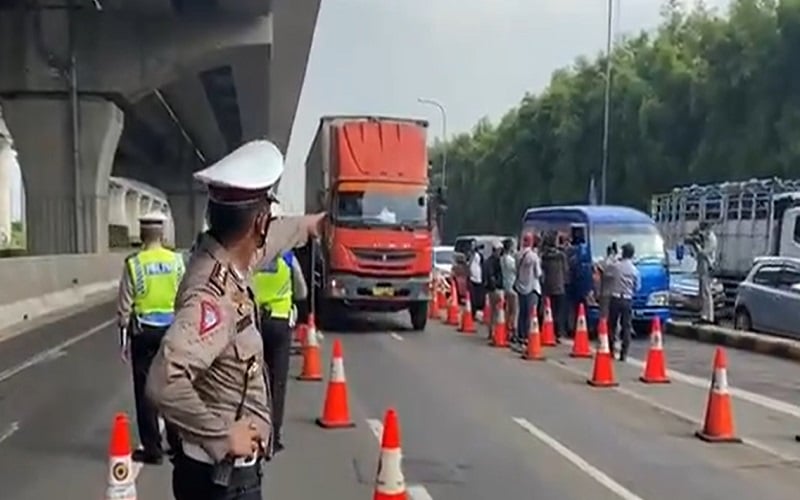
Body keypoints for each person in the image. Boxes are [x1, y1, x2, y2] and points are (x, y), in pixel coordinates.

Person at [145, 140, 325, 500]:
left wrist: (311, 224)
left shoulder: (225, 256)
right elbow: (163, 381)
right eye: (267, 217)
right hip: (221, 482)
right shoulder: (214, 298)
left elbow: (274, 238)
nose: (269, 226)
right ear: (258, 221)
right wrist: (221, 435)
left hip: (216, 476)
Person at [116, 210, 183, 465]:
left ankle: (153, 449)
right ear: (163, 233)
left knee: (145, 391)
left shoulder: (134, 263)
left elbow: (124, 307)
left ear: (142, 233)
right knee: (174, 386)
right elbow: (186, 295)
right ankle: (177, 444)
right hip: (173, 331)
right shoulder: (177, 261)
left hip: (144, 332)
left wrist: (123, 340)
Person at [251, 203, 309, 453]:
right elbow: (302, 290)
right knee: (277, 383)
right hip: (279, 322)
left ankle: (253, 433)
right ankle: (273, 439)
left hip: (251, 324)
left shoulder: (250, 255)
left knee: (250, 381)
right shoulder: (286, 256)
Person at [606, 242, 641, 361]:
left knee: (612, 325)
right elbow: (637, 287)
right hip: (627, 299)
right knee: (626, 326)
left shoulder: (616, 266)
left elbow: (606, 270)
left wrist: (612, 256)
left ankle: (610, 350)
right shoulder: (635, 270)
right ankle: (623, 354)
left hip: (615, 297)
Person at [513, 232, 542, 345]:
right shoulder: (533, 256)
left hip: (520, 286)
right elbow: (538, 273)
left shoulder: (517, 255)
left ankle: (521, 334)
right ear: (531, 242)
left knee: (522, 312)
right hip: (532, 287)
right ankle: (528, 335)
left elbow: (516, 269)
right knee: (531, 313)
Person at [540, 232, 569, 343]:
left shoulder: (544, 257)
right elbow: (566, 270)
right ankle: (557, 333)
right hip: (559, 286)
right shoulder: (561, 256)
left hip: (547, 287)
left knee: (547, 310)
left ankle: (546, 331)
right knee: (558, 312)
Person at [696, 221, 718, 324]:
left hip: (707, 266)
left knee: (706, 292)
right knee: (703, 292)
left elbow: (705, 252)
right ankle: (704, 315)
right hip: (703, 266)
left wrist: (698, 247)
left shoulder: (711, 239)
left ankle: (709, 316)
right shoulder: (707, 238)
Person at [483, 240, 504, 338]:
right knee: (496, 311)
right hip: (495, 289)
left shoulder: (489, 261)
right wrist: (495, 286)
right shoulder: (494, 262)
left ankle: (492, 331)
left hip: (491, 289)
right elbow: (491, 276)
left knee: (493, 311)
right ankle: (495, 332)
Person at [500, 238, 518, 338]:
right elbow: (516, 270)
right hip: (512, 286)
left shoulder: (502, 258)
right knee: (514, 310)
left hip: (506, 285)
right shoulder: (510, 260)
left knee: (508, 309)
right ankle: (512, 330)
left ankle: (507, 328)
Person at [468, 242, 485, 318]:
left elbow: (482, 265)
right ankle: (473, 313)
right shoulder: (471, 256)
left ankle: (477, 312)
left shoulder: (480, 256)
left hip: (479, 278)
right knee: (473, 298)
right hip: (472, 278)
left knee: (478, 297)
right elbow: (468, 265)